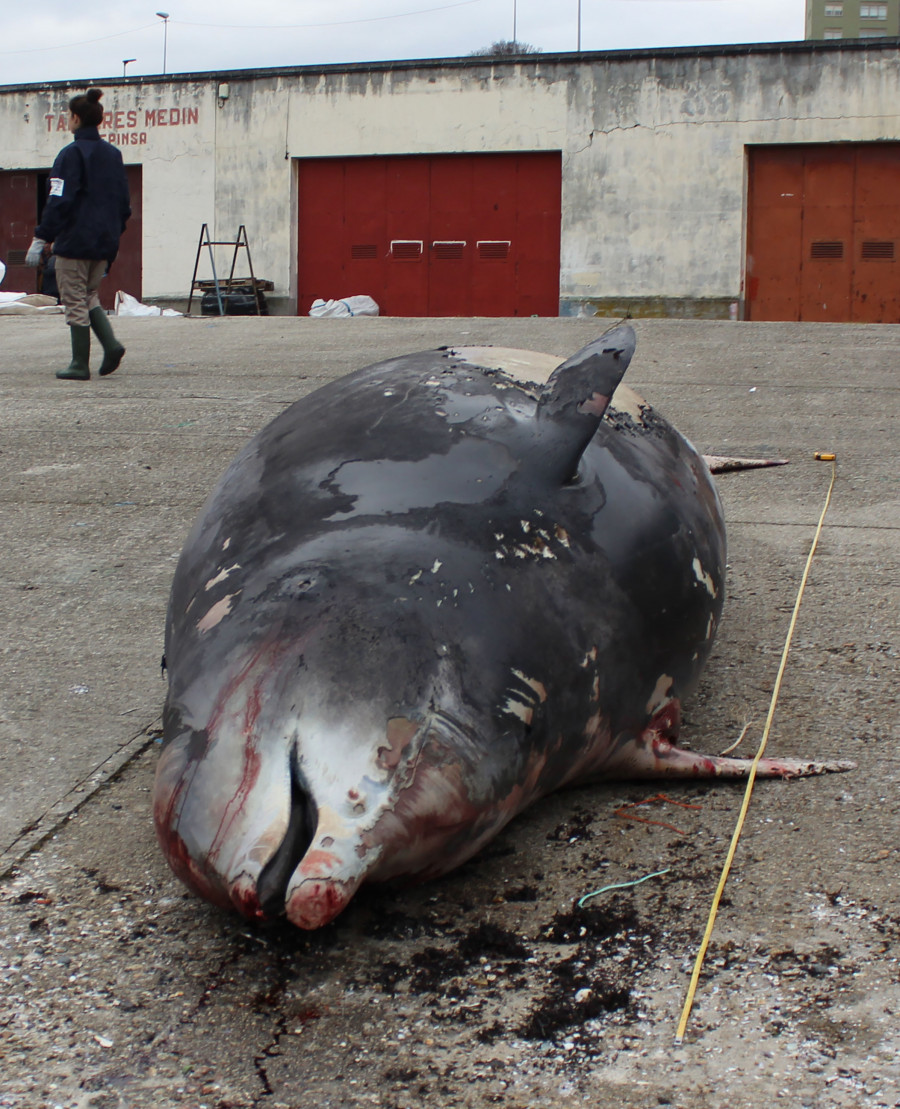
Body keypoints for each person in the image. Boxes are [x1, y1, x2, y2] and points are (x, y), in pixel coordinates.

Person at [25, 88, 131, 381]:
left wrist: (42, 237)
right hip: (104, 244)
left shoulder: (70, 155)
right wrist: (113, 235)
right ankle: (110, 346)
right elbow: (124, 204)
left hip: (74, 243)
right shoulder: (113, 155)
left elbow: (59, 200)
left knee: (74, 300)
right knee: (88, 295)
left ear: (75, 118)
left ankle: (79, 364)